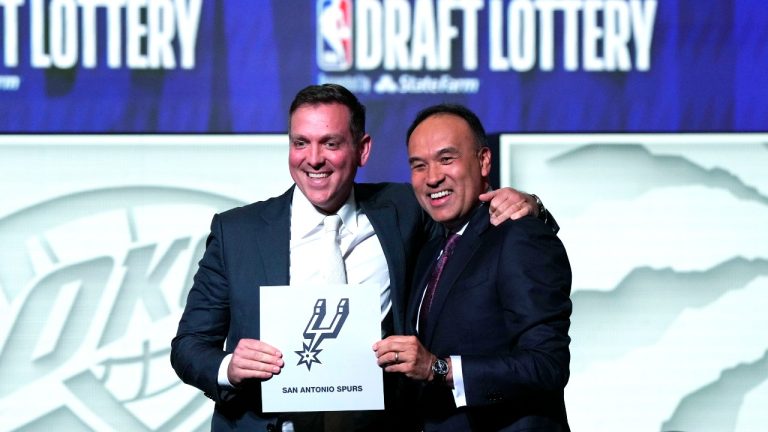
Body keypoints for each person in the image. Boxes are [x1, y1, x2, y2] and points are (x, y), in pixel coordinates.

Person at [170, 84, 554, 432]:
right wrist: (228, 368)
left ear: (363, 149)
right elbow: (188, 347)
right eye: (300, 142)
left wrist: (530, 205)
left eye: (331, 143)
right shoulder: (236, 232)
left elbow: (471, 221)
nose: (313, 158)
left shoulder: (404, 210)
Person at [373, 104, 572, 431]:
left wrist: (439, 369)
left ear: (483, 161)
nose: (433, 176)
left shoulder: (520, 235)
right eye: (419, 165)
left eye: (446, 159)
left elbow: (547, 366)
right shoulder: (431, 246)